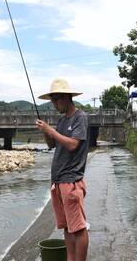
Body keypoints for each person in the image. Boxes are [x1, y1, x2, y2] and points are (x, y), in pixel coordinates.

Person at [35, 78, 89, 261]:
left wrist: (51, 130)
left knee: (79, 228)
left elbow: (73, 144)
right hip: (58, 182)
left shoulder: (80, 117)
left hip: (71, 181)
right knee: (67, 226)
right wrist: (45, 132)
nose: (55, 104)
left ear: (67, 97)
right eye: (53, 101)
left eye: (57, 99)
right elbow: (52, 144)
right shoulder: (61, 121)